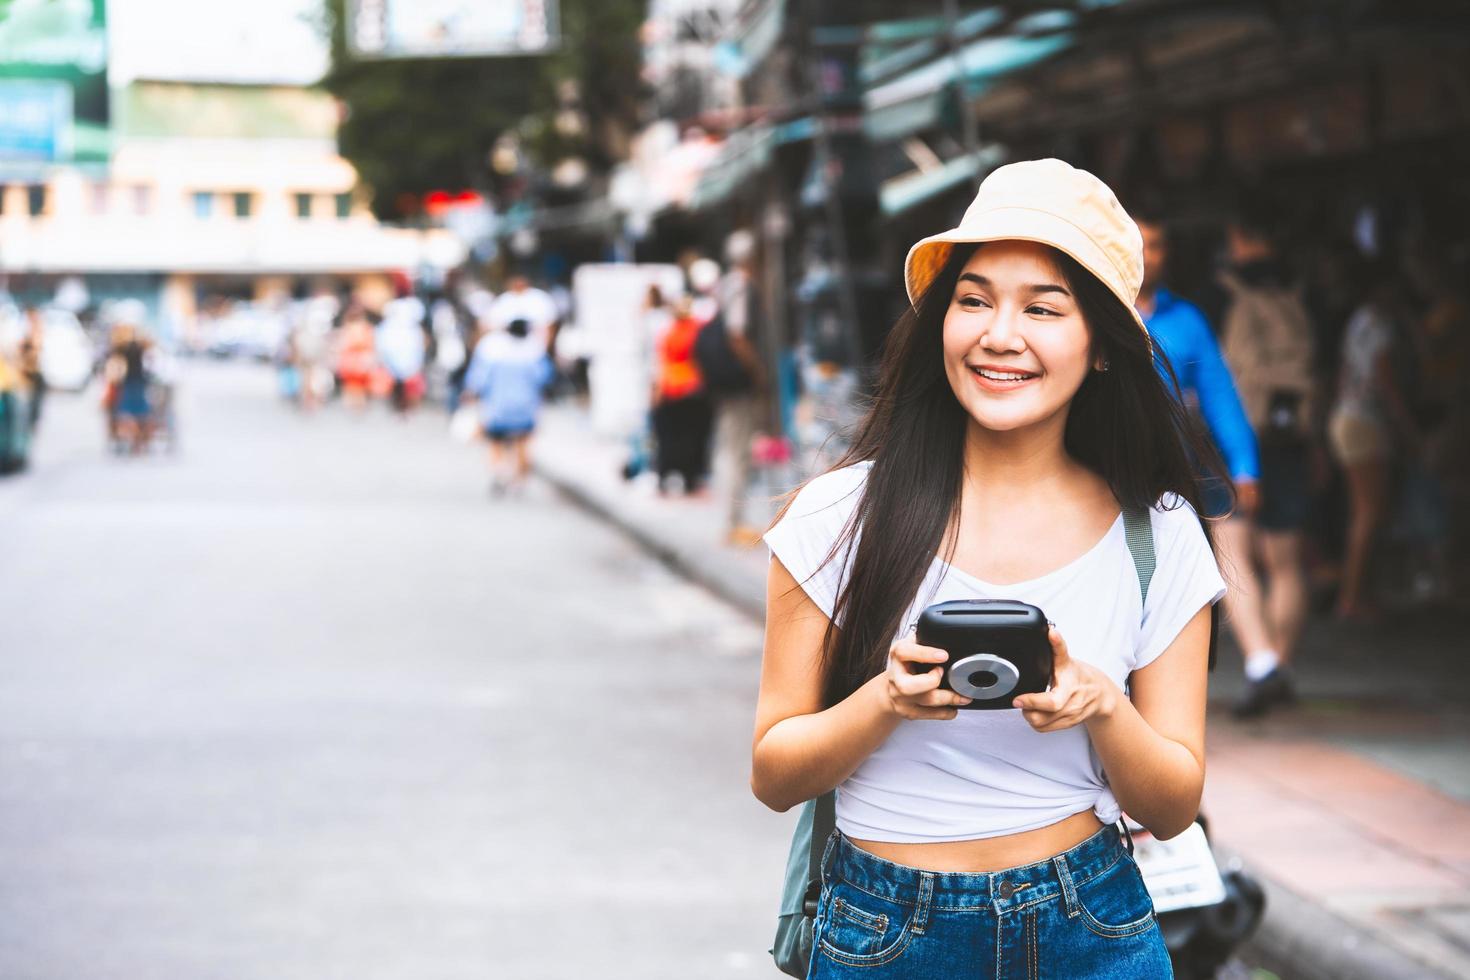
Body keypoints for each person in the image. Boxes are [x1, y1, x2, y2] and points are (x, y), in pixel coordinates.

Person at [753, 159, 1225, 978]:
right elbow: (775, 772)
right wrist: (886, 700)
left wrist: (1102, 707)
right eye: (973, 299)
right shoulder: (835, 518)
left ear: (1104, 348)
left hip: (1094, 925)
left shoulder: (1161, 534)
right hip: (885, 932)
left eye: (1043, 307)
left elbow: (1174, 805)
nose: (999, 334)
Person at [1134, 212, 1269, 717]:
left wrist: (1245, 465)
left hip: (1178, 477)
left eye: (1157, 244)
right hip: (1103, 477)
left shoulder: (1186, 319)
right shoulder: (1090, 309)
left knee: (1187, 586)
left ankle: (1257, 666)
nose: (1149, 255)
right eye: (1138, 244)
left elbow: (1219, 394)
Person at [1216, 208, 1316, 718]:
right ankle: (1282, 663)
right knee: (1286, 561)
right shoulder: (1299, 291)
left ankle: (1260, 664)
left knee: (1232, 554)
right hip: (1291, 438)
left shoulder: (1236, 295)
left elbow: (1224, 381)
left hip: (1247, 440)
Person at [1327, 267, 1420, 620]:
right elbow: (1386, 381)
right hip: (1365, 420)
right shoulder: (1380, 325)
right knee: (1368, 513)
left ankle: (1356, 594)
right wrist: (1408, 428)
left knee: (1363, 512)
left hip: (1346, 416)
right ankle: (1351, 597)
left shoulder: (1358, 320)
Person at [712, 229, 768, 546]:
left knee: (731, 449)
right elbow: (737, 334)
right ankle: (733, 524)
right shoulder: (741, 284)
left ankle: (734, 522)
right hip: (738, 383)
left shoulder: (725, 283)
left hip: (726, 382)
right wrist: (757, 369)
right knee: (737, 452)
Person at [462, 317, 553, 496]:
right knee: (523, 443)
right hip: (525, 407)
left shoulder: (493, 349)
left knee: (496, 442)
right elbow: (544, 378)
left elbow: (479, 378)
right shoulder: (534, 352)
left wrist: (471, 393)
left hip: (498, 407)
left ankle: (500, 471)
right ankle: (520, 479)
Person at [651, 296, 713, 496]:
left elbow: (662, 361)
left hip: (670, 388)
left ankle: (665, 476)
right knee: (692, 436)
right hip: (693, 387)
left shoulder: (668, 332)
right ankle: (690, 478)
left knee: (669, 437)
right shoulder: (697, 330)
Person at [376, 296, 428, 416]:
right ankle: (401, 408)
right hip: (398, 363)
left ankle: (407, 409)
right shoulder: (392, 327)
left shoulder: (409, 327)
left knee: (410, 388)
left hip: (406, 363)